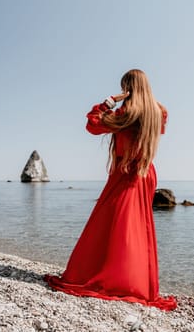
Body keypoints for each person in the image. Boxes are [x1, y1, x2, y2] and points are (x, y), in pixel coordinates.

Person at [45, 69, 177, 310]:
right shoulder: (159, 112)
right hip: (146, 173)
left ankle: (117, 280)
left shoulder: (127, 112)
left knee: (112, 227)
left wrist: (109, 101)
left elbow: (93, 124)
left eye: (125, 87)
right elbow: (158, 126)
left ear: (128, 87)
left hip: (125, 173)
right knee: (136, 228)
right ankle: (136, 282)